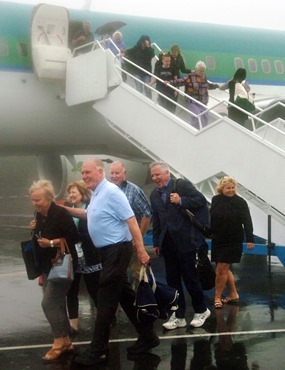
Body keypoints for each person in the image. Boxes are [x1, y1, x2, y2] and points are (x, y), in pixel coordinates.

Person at [64, 158, 159, 367]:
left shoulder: (112, 192)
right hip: (107, 252)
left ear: (100, 171)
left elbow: (132, 219)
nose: (84, 176)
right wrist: (62, 209)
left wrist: (142, 250)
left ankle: (97, 349)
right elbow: (87, 214)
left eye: (88, 172)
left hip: (117, 249)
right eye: (83, 173)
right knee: (124, 296)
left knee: (105, 297)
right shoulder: (97, 194)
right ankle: (148, 336)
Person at [149, 161, 211, 331]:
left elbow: (200, 200)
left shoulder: (180, 185)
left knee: (191, 278)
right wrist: (156, 242)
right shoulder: (154, 195)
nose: (155, 178)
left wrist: (181, 200)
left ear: (167, 173)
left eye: (158, 174)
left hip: (186, 241)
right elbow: (156, 220)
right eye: (153, 175)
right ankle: (179, 315)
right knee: (172, 281)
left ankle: (201, 310)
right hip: (167, 244)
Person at [28, 180, 78, 362]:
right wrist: (34, 230)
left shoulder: (61, 213)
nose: (35, 204)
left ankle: (58, 341)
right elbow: (39, 238)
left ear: (49, 197)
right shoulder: (39, 214)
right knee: (57, 304)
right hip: (48, 266)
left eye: (38, 200)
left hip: (63, 265)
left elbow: (74, 237)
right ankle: (66, 341)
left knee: (48, 303)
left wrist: (52, 242)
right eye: (33, 200)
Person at [210, 176, 254, 309]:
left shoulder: (241, 202)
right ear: (221, 188)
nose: (230, 190)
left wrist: (250, 238)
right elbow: (212, 218)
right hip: (218, 239)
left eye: (232, 187)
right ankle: (233, 294)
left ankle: (217, 297)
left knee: (221, 268)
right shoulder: (215, 199)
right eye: (228, 188)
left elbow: (247, 221)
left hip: (233, 239)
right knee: (222, 267)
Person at [65, 180, 102, 335]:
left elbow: (93, 233)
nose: (71, 195)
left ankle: (106, 318)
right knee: (71, 291)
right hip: (73, 257)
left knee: (94, 289)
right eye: (70, 192)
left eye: (74, 192)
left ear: (82, 193)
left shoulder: (90, 209)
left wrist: (74, 235)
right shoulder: (68, 209)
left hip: (89, 256)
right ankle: (73, 324)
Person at [109, 160, 152, 286]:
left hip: (131, 240)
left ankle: (141, 302)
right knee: (117, 274)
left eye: (117, 173)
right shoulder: (107, 190)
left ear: (124, 173)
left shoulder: (134, 190)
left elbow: (146, 214)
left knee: (136, 274)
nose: (114, 176)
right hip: (114, 241)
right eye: (112, 173)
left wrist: (139, 237)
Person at [176, 60, 219, 128]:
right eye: (200, 71)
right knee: (197, 116)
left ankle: (203, 131)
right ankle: (194, 130)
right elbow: (181, 81)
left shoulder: (204, 76)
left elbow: (207, 85)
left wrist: (216, 86)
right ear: (196, 69)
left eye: (203, 71)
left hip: (203, 101)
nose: (201, 73)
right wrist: (170, 82)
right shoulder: (190, 76)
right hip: (193, 101)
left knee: (205, 117)